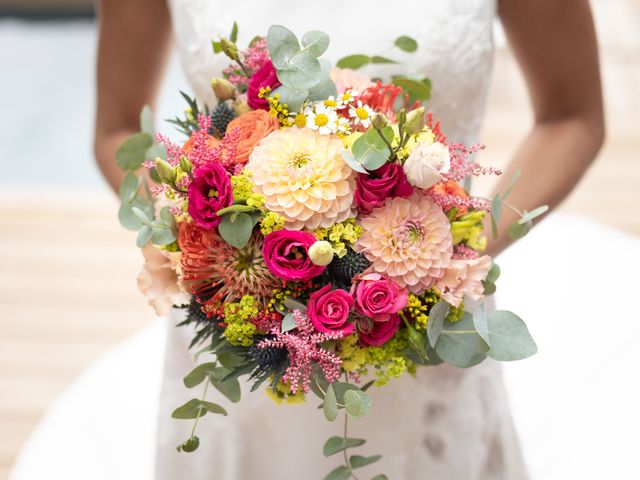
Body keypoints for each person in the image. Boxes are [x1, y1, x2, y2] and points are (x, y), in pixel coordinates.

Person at [92, 0, 604, 478]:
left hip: (433, 322)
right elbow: (116, 131)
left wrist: (444, 264)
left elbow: (572, 117)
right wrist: (199, 237)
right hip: (235, 320)